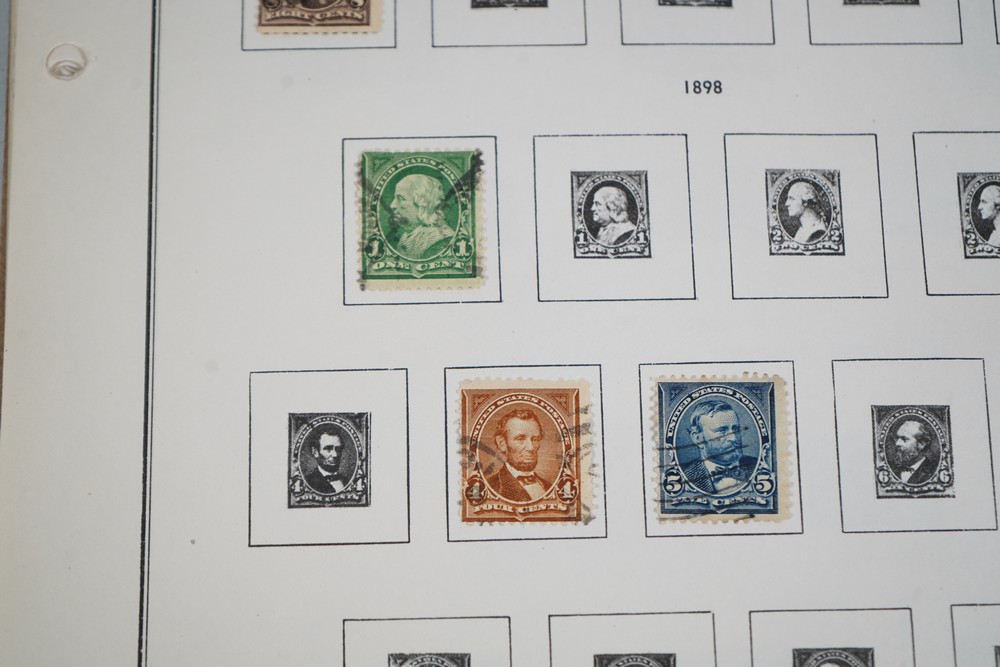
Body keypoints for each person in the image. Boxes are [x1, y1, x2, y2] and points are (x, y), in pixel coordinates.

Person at [680, 400, 757, 495]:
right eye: (721, 431)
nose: (733, 438)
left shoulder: (758, 467)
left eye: (736, 429)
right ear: (698, 439)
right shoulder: (685, 476)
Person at [486, 408, 554, 502]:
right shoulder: (489, 488)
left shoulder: (550, 487)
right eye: (520, 439)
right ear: (502, 443)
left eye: (535, 439)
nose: (531, 448)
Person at [389, 173, 454, 259]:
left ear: (423, 204)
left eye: (400, 199)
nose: (392, 205)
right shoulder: (407, 235)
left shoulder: (440, 240)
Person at [891, 419, 938, 485]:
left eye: (904, 439)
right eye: (897, 438)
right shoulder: (892, 470)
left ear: (922, 444)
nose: (897, 443)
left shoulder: (933, 471)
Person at [783, 180, 829, 244]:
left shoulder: (818, 232)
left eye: (791, 198)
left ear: (805, 202)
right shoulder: (802, 230)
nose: (786, 204)